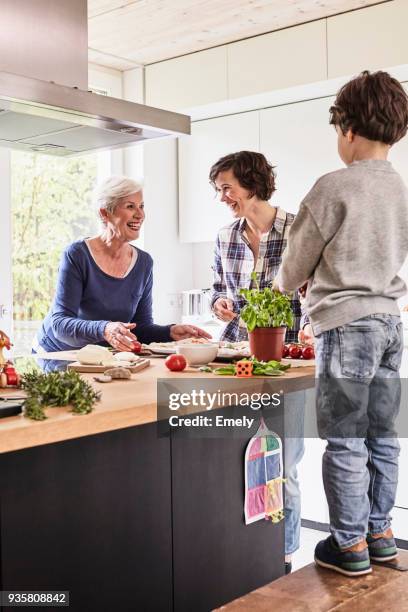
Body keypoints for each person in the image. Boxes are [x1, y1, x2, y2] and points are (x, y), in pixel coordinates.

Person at [276, 70, 408, 576]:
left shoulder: (333, 187)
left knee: (346, 438)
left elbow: (290, 271)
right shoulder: (399, 188)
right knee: (382, 436)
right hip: (390, 324)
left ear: (348, 128)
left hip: (347, 326)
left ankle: (348, 545)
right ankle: (380, 535)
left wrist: (305, 278)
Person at [209, 150, 309, 574]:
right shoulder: (226, 236)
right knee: (233, 458)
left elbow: (313, 291)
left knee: (283, 460)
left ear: (251, 183)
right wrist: (220, 303)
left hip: (287, 359)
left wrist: (309, 327)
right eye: (218, 191)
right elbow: (215, 287)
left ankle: (282, 557)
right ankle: (240, 553)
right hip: (234, 358)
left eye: (226, 188)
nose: (223, 198)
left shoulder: (298, 229)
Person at [36, 176, 210, 352]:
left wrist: (170, 332)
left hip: (103, 357)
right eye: (130, 206)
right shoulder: (77, 255)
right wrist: (104, 329)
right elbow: (59, 325)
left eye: (141, 206)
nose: (140, 214)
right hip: (59, 355)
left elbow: (140, 329)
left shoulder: (143, 263)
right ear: (105, 213)